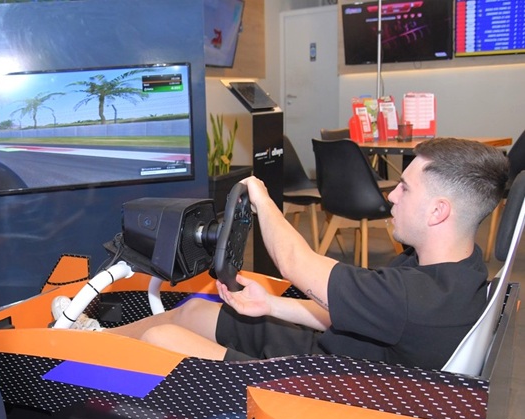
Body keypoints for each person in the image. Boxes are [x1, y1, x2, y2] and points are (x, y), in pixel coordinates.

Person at [104, 137, 509, 370]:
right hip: (333, 353)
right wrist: (271, 306)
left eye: (404, 188)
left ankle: (84, 363)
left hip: (316, 392)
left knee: (161, 338)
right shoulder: (459, 269)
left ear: (438, 212)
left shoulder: (414, 299)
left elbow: (295, 263)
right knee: (193, 311)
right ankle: (89, 341)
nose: (392, 196)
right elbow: (361, 313)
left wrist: (261, 199)